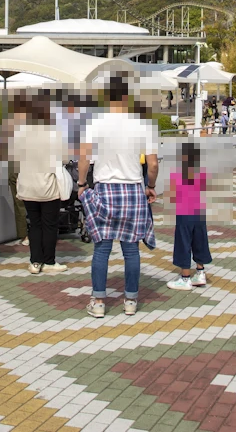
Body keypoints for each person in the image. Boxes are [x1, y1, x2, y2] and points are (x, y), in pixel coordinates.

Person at [78, 76, 158, 318]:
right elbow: (152, 164)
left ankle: (99, 302)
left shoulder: (95, 122)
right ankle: (131, 301)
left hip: (104, 189)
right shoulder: (144, 123)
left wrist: (81, 184)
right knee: (131, 250)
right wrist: (150, 186)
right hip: (133, 190)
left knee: (101, 249)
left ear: (106, 96)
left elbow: (84, 159)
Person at [7, 92, 68, 274]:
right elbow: (64, 158)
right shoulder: (54, 134)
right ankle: (49, 262)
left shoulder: (20, 134)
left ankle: (35, 262)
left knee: (34, 224)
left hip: (27, 184)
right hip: (47, 185)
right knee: (49, 224)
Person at [166, 143, 210, 290]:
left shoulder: (178, 175)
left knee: (183, 243)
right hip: (199, 212)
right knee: (199, 240)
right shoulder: (201, 173)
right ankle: (200, 272)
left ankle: (185, 278)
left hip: (184, 212)